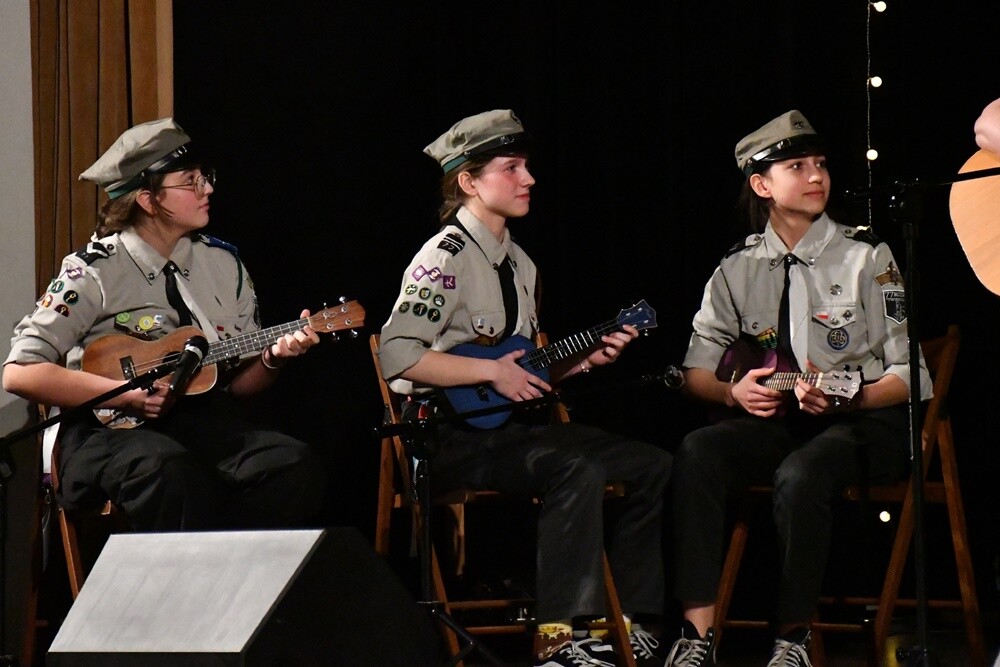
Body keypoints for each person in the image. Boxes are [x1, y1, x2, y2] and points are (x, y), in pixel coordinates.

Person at [377, 109, 672, 667]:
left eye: (526, 167)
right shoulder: (445, 257)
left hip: (509, 432)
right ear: (468, 182)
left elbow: (521, 368)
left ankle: (630, 624)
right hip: (447, 438)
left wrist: (582, 362)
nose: (528, 179)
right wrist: (490, 372)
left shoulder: (522, 264)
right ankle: (561, 636)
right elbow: (399, 356)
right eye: (510, 168)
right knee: (574, 468)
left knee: (650, 463)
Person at [664, 110, 932, 667]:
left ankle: (793, 637)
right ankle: (697, 636)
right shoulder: (737, 267)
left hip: (865, 421)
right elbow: (695, 372)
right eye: (796, 166)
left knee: (802, 472)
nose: (816, 177)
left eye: (820, 165)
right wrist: (732, 395)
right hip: (791, 419)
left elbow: (912, 375)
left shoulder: (866, 255)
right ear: (761, 186)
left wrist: (850, 397)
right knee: (698, 451)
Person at [2, 118, 326, 531]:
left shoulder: (224, 265)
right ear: (148, 200)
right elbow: (20, 373)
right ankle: (187, 587)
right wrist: (126, 397)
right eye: (190, 182)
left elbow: (236, 387)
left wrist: (274, 359)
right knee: (170, 470)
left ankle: (229, 577)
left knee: (292, 465)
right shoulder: (94, 271)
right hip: (107, 431)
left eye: (205, 178)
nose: (207, 189)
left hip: (199, 422)